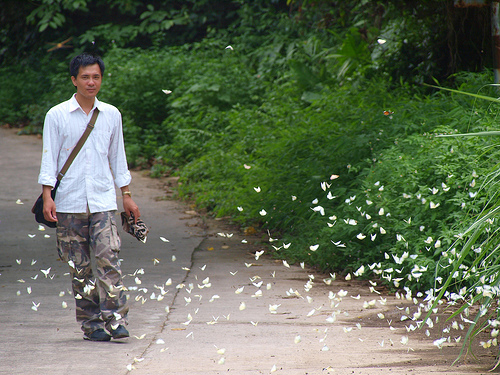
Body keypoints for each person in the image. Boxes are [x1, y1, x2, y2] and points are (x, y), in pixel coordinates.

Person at [37, 53, 140, 341]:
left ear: (101, 79)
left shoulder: (111, 114)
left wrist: (127, 196)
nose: (91, 82)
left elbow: (117, 157)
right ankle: (92, 324)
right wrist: (47, 196)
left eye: (96, 76)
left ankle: (116, 319)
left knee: (109, 260)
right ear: (73, 79)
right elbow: (50, 158)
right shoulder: (56, 115)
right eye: (85, 77)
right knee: (80, 269)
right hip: (68, 203)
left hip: (104, 201)